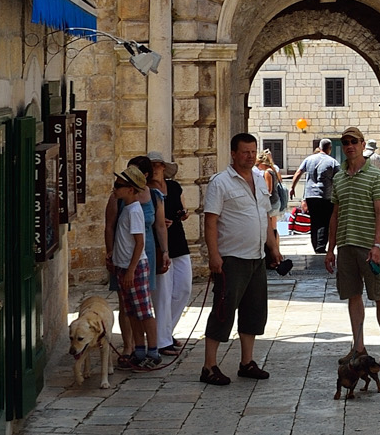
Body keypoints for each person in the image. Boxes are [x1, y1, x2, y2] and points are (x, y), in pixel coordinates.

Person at [200, 131, 284, 385]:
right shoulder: (220, 183)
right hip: (232, 258)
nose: (249, 156)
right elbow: (211, 222)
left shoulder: (259, 179)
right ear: (234, 154)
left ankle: (247, 362)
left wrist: (274, 248)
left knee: (254, 312)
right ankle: (209, 366)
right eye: (244, 152)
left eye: (252, 151)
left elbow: (265, 217)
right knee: (223, 311)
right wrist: (214, 256)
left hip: (257, 257)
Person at [325, 125, 380, 366]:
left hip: (368, 247)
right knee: (353, 296)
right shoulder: (339, 177)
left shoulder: (376, 176)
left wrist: (377, 245)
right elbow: (335, 214)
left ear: (363, 145)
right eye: (345, 142)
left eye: (354, 141)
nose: (350, 146)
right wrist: (330, 247)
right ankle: (359, 347)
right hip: (345, 245)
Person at [110, 174, 160, 372]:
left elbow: (140, 242)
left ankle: (153, 352)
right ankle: (139, 351)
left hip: (135, 268)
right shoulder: (126, 209)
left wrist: (131, 269)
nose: (115, 188)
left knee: (144, 312)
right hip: (123, 267)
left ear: (130, 190)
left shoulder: (134, 212)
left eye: (119, 186)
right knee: (132, 312)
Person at [154, 159, 193, 359]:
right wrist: (158, 222)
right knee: (163, 292)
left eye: (157, 165)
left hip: (177, 238)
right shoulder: (146, 191)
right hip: (158, 243)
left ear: (163, 168)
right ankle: (162, 340)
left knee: (184, 287)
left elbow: (183, 207)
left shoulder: (174, 187)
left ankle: (166, 330)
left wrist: (183, 214)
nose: (155, 169)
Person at [297, 138, 339, 252]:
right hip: (326, 195)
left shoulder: (309, 159)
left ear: (320, 147)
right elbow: (339, 178)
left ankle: (315, 245)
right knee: (325, 221)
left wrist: (292, 187)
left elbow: (298, 172)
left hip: (310, 195)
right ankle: (320, 246)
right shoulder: (333, 162)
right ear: (329, 148)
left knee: (314, 221)